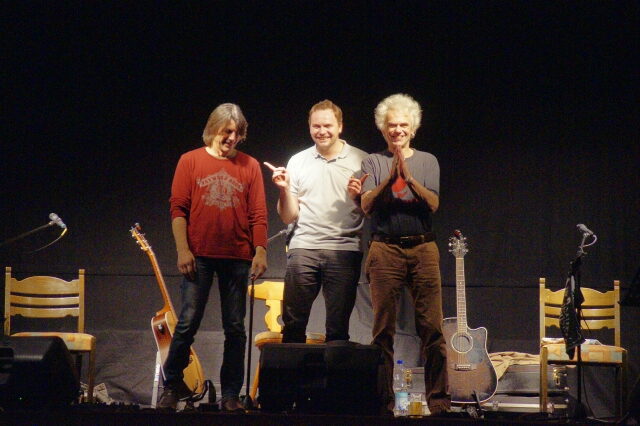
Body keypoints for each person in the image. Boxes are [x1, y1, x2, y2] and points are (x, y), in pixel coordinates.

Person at [158, 103, 268, 412]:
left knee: (235, 328)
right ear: (213, 129)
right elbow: (178, 209)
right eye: (226, 131)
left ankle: (230, 394)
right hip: (199, 256)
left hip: (237, 256)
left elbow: (258, 214)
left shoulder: (250, 165)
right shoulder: (190, 161)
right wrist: (183, 249)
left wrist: (260, 250)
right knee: (187, 323)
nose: (231, 137)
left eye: (237, 132)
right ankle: (171, 387)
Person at [352, 93, 451, 415]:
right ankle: (382, 403)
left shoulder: (428, 161)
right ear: (383, 129)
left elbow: (433, 204)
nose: (397, 130)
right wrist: (389, 179)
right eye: (391, 125)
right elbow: (366, 205)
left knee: (432, 329)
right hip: (385, 249)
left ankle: (439, 402)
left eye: (403, 125)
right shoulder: (372, 161)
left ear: (413, 129)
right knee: (383, 331)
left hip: (423, 248)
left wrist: (408, 178)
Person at [265, 100, 367, 344]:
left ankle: (335, 371)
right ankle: (293, 371)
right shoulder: (298, 161)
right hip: (304, 248)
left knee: (338, 330)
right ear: (310, 127)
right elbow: (288, 216)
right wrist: (284, 189)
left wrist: (359, 197)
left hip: (344, 249)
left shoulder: (361, 160)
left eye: (328, 125)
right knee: (293, 326)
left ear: (340, 126)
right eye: (316, 126)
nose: (322, 131)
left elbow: (372, 211)